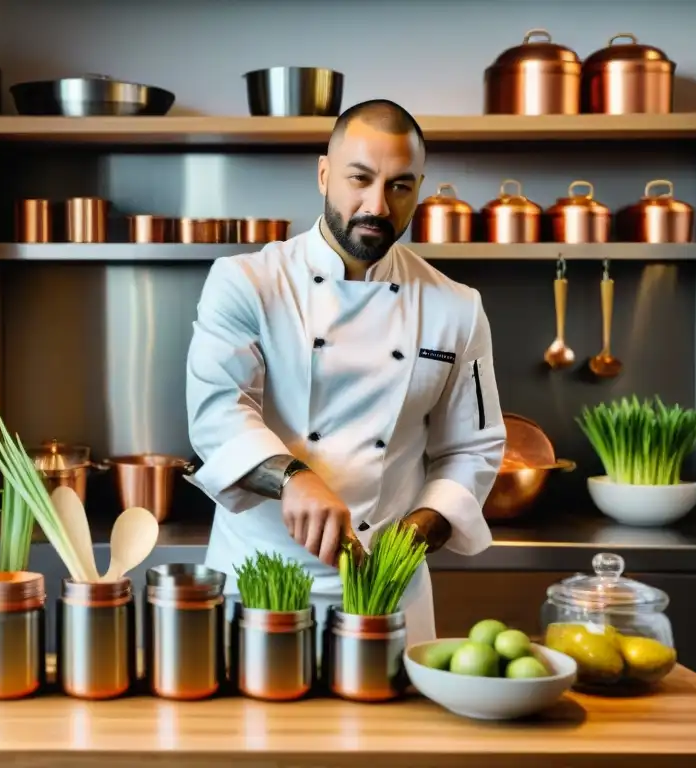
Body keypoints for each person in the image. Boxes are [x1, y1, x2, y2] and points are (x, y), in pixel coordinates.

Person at [184, 99, 506, 644]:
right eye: (360, 178)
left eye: (400, 186)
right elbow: (217, 414)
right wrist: (293, 478)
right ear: (324, 174)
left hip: (389, 594)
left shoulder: (456, 306)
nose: (376, 205)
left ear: (419, 189)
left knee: (395, 732)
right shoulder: (247, 282)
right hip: (259, 582)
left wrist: (421, 527)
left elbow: (471, 449)